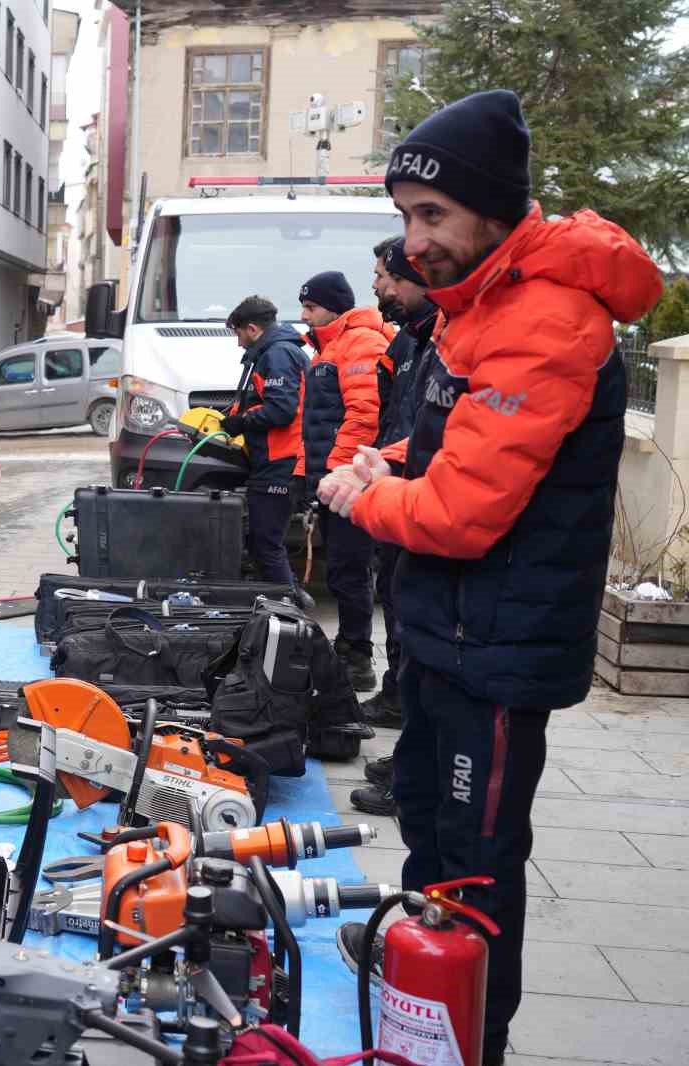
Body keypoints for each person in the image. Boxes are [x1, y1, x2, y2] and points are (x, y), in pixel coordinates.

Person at [320, 90, 661, 1066]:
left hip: (495, 648)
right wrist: (388, 458)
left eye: (430, 216)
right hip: (447, 633)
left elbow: (464, 512)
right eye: (401, 218)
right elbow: (450, 446)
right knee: (426, 820)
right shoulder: (478, 305)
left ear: (489, 208)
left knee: (476, 864)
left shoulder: (544, 319)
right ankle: (415, 969)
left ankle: (471, 1034)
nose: (412, 240)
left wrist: (358, 499)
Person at [349, 237, 441, 819]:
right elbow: (400, 420)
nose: (380, 287)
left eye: (387, 276)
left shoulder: (449, 340)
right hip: (401, 491)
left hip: (423, 505)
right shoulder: (413, 341)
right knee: (400, 614)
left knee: (419, 636)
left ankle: (418, 772)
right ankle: (411, 751)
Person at [293, 269, 388, 690]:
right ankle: (350, 647)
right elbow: (310, 422)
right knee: (342, 570)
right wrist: (305, 476)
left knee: (351, 569)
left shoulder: (361, 343)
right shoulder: (325, 351)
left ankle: (358, 655)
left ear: (332, 306)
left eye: (310, 306)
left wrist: (339, 472)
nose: (304, 314)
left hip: (351, 481)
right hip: (332, 479)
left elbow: (365, 415)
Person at [219, 295, 308, 587]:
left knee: (266, 545)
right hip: (276, 460)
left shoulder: (277, 355)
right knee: (265, 544)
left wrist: (241, 423)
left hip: (280, 462)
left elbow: (281, 410)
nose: (239, 342)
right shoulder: (274, 352)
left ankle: (290, 606)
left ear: (253, 329)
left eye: (239, 333)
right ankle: (286, 601)